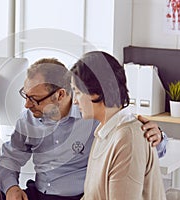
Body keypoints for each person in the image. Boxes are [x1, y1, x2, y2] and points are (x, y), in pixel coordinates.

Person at [0, 58, 168, 200]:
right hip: (41, 193)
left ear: (60, 95)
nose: (27, 105)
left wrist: (156, 138)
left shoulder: (95, 116)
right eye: (25, 95)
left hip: (81, 195)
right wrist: (11, 188)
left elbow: (138, 149)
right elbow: (9, 160)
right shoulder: (28, 119)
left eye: (34, 99)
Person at [70, 51, 166, 199]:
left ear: (95, 92)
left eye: (77, 92)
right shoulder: (104, 131)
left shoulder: (128, 138)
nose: (75, 101)